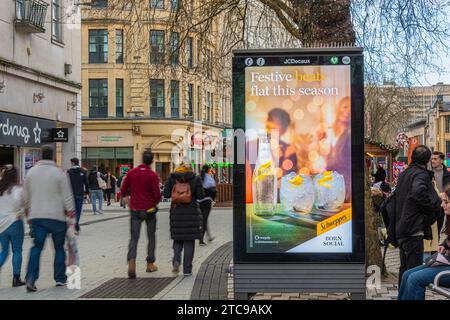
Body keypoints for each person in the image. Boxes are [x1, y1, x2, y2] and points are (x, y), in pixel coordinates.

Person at [23, 146, 75, 292]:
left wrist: (27, 211)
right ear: (53, 156)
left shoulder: (31, 172)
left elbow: (25, 195)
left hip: (37, 216)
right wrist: (71, 211)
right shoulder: (59, 172)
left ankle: (31, 278)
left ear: (40, 156)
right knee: (59, 248)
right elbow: (67, 195)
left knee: (36, 247)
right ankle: (59, 278)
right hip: (56, 217)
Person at [395, 145, 441, 287]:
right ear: (427, 160)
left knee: (404, 268)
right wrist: (430, 212)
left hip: (402, 228)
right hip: (414, 229)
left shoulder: (404, 174)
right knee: (414, 271)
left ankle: (402, 295)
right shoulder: (420, 175)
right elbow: (418, 192)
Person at [398, 184, 450, 300]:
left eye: (446, 202)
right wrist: (444, 245)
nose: (442, 205)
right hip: (446, 262)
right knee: (407, 275)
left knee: (415, 279)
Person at [120, 151, 161, 279]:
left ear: (142, 159)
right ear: (152, 161)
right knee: (151, 237)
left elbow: (123, 188)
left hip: (135, 210)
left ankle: (131, 262)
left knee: (134, 238)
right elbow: (157, 196)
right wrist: (153, 202)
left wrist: (127, 200)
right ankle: (150, 263)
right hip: (149, 211)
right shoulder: (153, 175)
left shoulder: (132, 172)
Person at [163, 160, 204, 276]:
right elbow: (201, 195)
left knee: (177, 239)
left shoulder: (172, 178)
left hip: (176, 212)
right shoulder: (195, 178)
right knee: (189, 241)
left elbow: (166, 194)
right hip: (191, 213)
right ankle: (187, 270)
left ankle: (176, 260)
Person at [0, 165, 26, 287]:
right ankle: (16, 278)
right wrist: (20, 213)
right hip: (15, 222)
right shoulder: (17, 189)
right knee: (17, 251)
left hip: (1, 224)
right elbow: (22, 205)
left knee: (4, 250)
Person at [323, 96, 352, 202]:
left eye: (350, 108)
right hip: (328, 179)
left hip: (344, 182)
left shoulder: (350, 134)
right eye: (345, 107)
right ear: (339, 108)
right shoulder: (329, 130)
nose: (347, 111)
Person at [67, 158, 89, 234]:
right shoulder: (83, 171)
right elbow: (86, 182)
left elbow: (66, 183)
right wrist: (87, 192)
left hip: (70, 194)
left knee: (72, 211)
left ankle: (74, 224)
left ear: (72, 163)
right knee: (78, 211)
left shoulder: (69, 172)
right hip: (80, 194)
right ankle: (76, 224)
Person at [430, 151, 450, 234]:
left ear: (441, 161)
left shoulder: (447, 174)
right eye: (432, 159)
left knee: (439, 227)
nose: (433, 161)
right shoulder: (428, 173)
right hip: (431, 203)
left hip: (443, 204)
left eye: (435, 159)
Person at [198, 164, 217, 246]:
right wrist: (213, 199)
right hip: (207, 201)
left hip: (198, 201)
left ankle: (208, 236)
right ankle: (201, 239)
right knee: (204, 219)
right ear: (208, 170)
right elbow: (214, 191)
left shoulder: (198, 178)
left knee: (204, 219)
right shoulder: (210, 179)